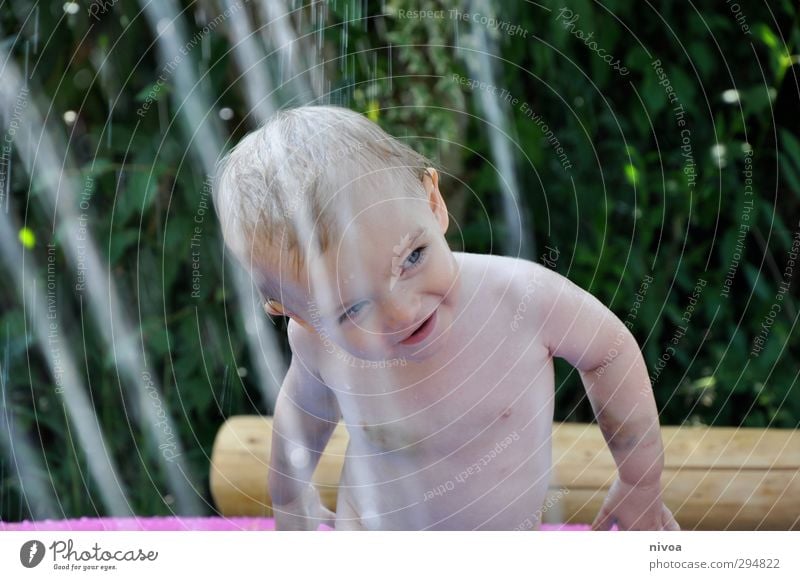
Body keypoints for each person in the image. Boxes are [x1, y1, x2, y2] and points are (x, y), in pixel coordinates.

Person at [212, 105, 679, 531]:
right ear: (295, 314)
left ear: (432, 201)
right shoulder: (318, 343)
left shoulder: (522, 299)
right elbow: (303, 414)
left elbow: (610, 352)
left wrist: (641, 481)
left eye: (412, 258)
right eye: (353, 308)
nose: (403, 310)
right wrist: (291, 501)